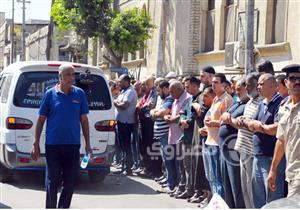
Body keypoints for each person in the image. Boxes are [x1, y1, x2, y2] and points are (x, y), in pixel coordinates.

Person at [31, 64, 92, 208]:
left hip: (72, 145)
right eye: (68, 75)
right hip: (53, 146)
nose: (72, 78)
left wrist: (88, 144)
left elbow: (84, 120)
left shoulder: (79, 94)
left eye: (73, 74)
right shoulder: (50, 95)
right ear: (60, 77)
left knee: (70, 183)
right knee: (52, 182)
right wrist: (36, 143)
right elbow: (41, 120)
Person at [242, 73, 285, 208]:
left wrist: (260, 127)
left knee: (273, 198)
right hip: (258, 155)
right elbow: (250, 122)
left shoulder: (280, 103)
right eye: (258, 84)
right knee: (258, 196)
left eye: (261, 84)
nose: (258, 87)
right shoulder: (262, 103)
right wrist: (256, 125)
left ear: (273, 86)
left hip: (272, 157)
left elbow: (277, 128)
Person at [268, 64, 300, 197]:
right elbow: (281, 140)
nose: (297, 82)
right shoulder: (284, 108)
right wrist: (273, 170)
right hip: (291, 172)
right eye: (293, 79)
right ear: (286, 82)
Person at [234, 72, 263, 208]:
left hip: (252, 151)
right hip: (242, 148)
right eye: (246, 85)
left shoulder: (261, 102)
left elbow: (256, 124)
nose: (247, 88)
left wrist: (245, 121)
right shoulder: (250, 101)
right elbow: (247, 121)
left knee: (253, 189)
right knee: (245, 186)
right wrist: (241, 120)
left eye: (250, 85)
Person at [204, 73, 233, 198]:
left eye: (216, 82)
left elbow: (227, 121)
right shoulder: (216, 98)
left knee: (218, 176)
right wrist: (206, 125)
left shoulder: (227, 99)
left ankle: (219, 203)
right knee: (211, 176)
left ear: (224, 85)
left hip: (217, 142)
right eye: (212, 82)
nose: (213, 85)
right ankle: (214, 202)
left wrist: (213, 123)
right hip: (209, 140)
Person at [114, 74, 138, 176]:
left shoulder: (130, 91)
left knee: (127, 146)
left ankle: (128, 168)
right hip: (121, 122)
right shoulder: (124, 91)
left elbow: (124, 105)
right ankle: (123, 166)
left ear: (126, 81)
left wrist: (115, 102)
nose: (119, 83)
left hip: (127, 123)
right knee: (122, 146)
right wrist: (117, 101)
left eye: (120, 81)